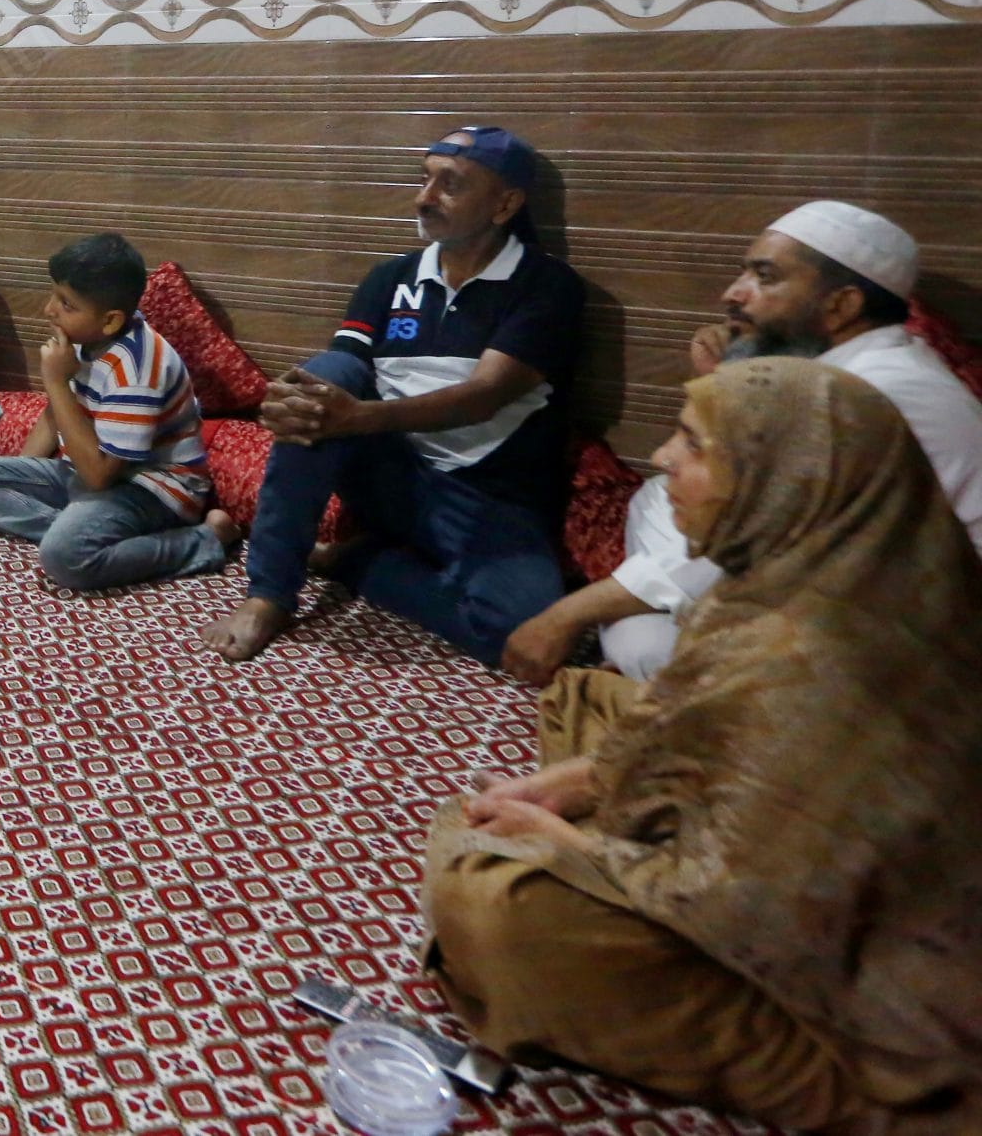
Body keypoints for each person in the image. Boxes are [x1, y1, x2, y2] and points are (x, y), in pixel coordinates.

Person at [425, 359, 982, 1132]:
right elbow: (689, 717)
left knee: (493, 902)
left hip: (862, 988)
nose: (662, 457)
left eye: (694, 441)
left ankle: (815, 1079)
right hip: (774, 851)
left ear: (782, 476)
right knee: (589, 695)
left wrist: (559, 841)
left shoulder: (818, 659)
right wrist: (588, 781)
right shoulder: (841, 558)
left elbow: (749, 911)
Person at [502, 201, 982, 685]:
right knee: (656, 497)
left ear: (842, 305)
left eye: (765, 277)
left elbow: (750, 535)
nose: (733, 294)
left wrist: (565, 615)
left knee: (641, 639)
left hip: (901, 653)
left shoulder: (869, 394)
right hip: (836, 591)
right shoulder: (859, 363)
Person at [201, 125, 584, 664]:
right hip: (391, 474)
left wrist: (356, 417)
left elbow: (485, 395)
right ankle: (268, 592)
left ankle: (357, 563)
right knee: (323, 376)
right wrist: (289, 400)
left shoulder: (546, 286)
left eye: (449, 185)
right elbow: (340, 373)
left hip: (488, 494)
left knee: (519, 631)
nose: (423, 198)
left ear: (505, 204)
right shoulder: (390, 279)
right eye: (425, 179)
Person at [0, 233, 236, 588]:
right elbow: (58, 414)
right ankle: (82, 529)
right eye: (55, 294)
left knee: (64, 558)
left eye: (66, 303)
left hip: (150, 491)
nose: (49, 310)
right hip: (82, 475)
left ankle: (203, 541)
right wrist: (24, 472)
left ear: (111, 320)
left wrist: (53, 379)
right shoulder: (87, 338)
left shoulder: (136, 370)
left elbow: (100, 477)